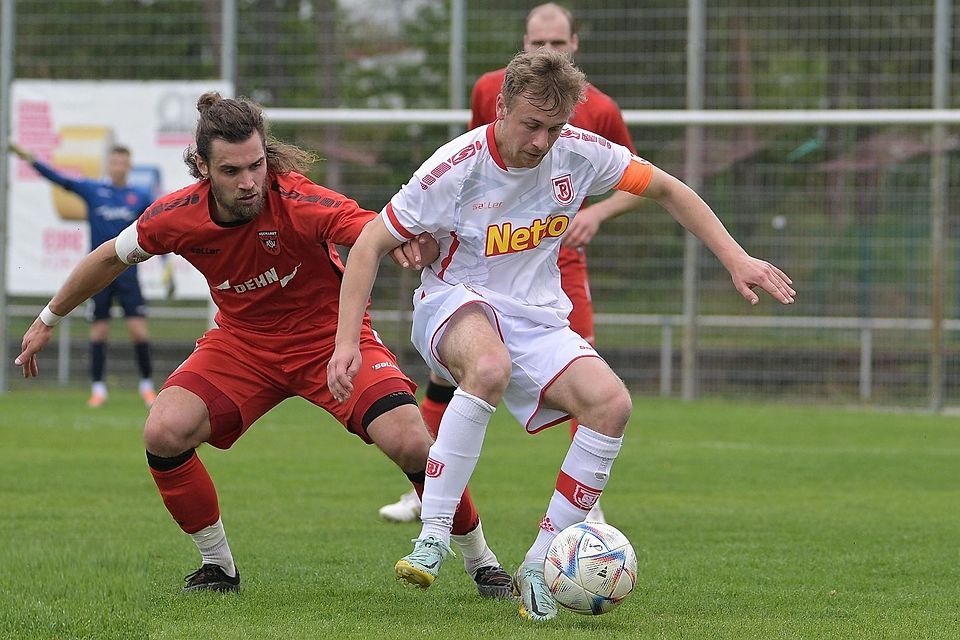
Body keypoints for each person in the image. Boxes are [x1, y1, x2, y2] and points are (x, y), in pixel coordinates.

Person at [329, 49, 795, 621]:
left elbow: (669, 189)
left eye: (553, 128)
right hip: (454, 300)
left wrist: (737, 258)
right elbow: (370, 244)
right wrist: (347, 342)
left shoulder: (579, 152)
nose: (541, 142)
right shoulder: (456, 167)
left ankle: (540, 562)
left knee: (611, 404)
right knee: (489, 368)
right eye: (531, 125)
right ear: (501, 109)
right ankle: (432, 536)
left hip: (537, 316)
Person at [14, 91, 514, 598]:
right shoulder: (176, 216)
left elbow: (372, 231)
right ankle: (217, 566)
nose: (249, 181)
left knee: (411, 443)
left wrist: (410, 239)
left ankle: (483, 562)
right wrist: (48, 318)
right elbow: (109, 257)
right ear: (203, 168)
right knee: (163, 432)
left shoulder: (299, 201)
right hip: (242, 345)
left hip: (327, 340)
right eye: (231, 171)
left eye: (256, 165)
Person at [378, 1, 643, 526]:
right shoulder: (490, 90)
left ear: (575, 46)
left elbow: (641, 182)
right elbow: (476, 170)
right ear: (523, 45)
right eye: (538, 42)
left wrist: (596, 213)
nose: (548, 50)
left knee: (589, 382)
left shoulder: (600, 110)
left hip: (556, 261)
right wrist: (434, 236)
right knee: (450, 375)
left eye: (558, 43)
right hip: (482, 264)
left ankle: (585, 508)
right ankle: (428, 493)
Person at [9, 142, 157, 408]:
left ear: (129, 166)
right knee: (99, 332)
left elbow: (157, 228)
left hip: (128, 274)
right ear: (109, 165)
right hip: (99, 274)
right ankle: (98, 389)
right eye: (114, 162)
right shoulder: (93, 190)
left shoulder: (139, 196)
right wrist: (31, 159)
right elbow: (60, 180)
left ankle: (147, 386)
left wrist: (167, 264)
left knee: (139, 332)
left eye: (123, 163)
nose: (119, 167)